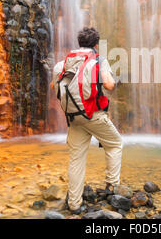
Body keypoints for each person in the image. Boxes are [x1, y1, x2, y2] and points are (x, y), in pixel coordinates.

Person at [52, 27, 123, 214]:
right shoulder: (99, 60)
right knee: (115, 144)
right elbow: (109, 85)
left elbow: (55, 86)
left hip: (74, 117)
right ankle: (111, 186)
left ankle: (74, 204)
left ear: (79, 43)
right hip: (93, 115)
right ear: (96, 44)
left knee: (76, 159)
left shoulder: (62, 64)